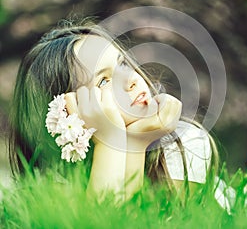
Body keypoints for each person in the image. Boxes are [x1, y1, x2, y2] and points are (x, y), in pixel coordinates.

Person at [8, 22, 219, 201]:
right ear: (66, 113)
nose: (132, 80)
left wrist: (136, 141)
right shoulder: (55, 183)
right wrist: (111, 138)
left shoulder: (183, 143)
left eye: (123, 63)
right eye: (104, 81)